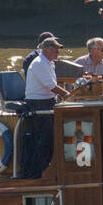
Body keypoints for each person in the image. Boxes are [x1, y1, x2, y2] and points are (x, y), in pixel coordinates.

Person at [21, 37, 70, 179]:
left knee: (50, 137)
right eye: (55, 50)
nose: (58, 53)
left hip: (47, 101)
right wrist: (69, 95)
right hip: (38, 103)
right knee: (45, 138)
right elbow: (51, 86)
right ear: (46, 49)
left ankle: (47, 168)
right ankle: (39, 173)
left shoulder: (48, 62)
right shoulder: (40, 63)